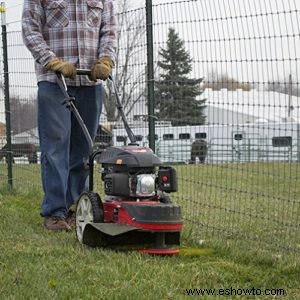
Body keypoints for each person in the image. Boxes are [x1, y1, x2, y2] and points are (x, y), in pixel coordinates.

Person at [22, 0, 117, 231]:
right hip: (54, 81)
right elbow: (30, 28)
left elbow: (109, 30)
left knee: (83, 150)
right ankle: (55, 212)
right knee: (55, 147)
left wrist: (105, 59)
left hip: (90, 80)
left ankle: (75, 208)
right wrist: (51, 61)